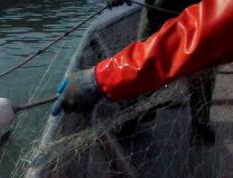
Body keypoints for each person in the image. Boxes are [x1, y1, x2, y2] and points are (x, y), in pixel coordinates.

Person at [52, 0, 233, 131]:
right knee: (157, 48)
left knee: (201, 69)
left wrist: (100, 78)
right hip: (159, 10)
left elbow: (216, 24)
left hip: (201, 11)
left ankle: (200, 121)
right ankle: (139, 115)